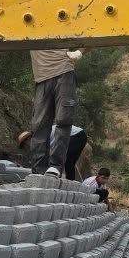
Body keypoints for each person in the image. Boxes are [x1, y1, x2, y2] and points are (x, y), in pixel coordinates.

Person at [26, 46, 80, 177]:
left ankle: (55, 167)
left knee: (63, 120)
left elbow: (91, 37)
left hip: (64, 72)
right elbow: (2, 40)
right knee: (39, 125)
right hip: (41, 78)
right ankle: (38, 170)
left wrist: (79, 52)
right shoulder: (28, 32)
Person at [16, 122, 87, 180]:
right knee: (67, 162)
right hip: (72, 136)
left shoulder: (41, 137)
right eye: (25, 145)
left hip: (76, 135)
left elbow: (52, 152)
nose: (27, 145)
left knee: (68, 160)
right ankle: (64, 179)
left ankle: (69, 181)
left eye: (26, 142)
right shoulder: (39, 141)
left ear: (29, 138)